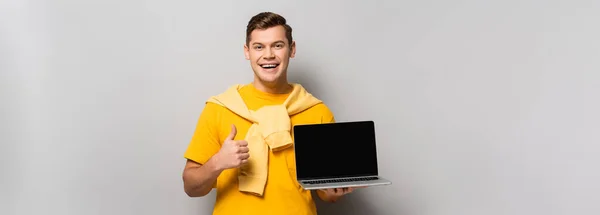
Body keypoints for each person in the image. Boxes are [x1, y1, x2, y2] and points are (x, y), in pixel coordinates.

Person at [181, 12, 358, 215]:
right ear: (247, 52)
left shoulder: (316, 112)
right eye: (259, 47)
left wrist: (335, 190)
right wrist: (217, 163)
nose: (268, 55)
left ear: (291, 49)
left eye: (277, 45)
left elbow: (327, 195)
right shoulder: (220, 108)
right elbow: (191, 188)